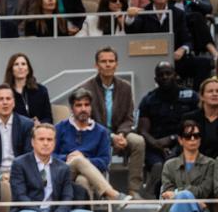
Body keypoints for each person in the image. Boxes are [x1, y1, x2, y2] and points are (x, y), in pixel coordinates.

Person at [9, 124, 100, 212]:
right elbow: (21, 197)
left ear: (55, 142)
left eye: (49, 139)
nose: (46, 143)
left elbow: (67, 197)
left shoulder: (63, 167)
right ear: (33, 142)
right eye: (41, 139)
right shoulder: (19, 164)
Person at [80, 46, 147, 196]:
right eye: (103, 61)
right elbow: (86, 119)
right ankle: (99, 192)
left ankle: (133, 190)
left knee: (138, 142)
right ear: (96, 65)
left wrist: (121, 135)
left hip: (121, 133)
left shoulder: (125, 87)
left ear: (117, 64)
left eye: (111, 61)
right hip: (96, 134)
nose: (108, 64)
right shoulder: (87, 89)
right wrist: (110, 136)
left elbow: (129, 117)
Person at [126, 0, 212, 88]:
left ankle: (197, 100)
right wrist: (129, 18)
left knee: (204, 63)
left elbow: (187, 40)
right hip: (148, 59)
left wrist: (182, 49)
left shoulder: (178, 13)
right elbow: (131, 33)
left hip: (174, 60)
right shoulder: (143, 12)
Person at [54, 87, 130, 203]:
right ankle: (112, 194)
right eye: (79, 105)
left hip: (90, 176)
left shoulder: (101, 131)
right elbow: (50, 156)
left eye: (86, 105)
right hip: (63, 173)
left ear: (91, 107)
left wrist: (86, 160)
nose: (83, 109)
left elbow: (105, 161)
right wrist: (68, 157)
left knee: (82, 180)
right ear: (72, 108)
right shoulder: (60, 128)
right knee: (78, 160)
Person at [138, 61, 201, 190]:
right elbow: (143, 131)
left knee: (176, 161)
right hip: (155, 145)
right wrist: (158, 145)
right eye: (161, 75)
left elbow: (198, 124)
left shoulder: (190, 96)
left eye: (168, 73)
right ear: (156, 79)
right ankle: (154, 193)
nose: (165, 77)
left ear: (175, 75)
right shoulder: (148, 100)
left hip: (185, 142)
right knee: (158, 165)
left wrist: (173, 139)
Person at [156, 119, 216, 212]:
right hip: (174, 209)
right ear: (180, 140)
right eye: (188, 136)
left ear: (201, 139)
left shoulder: (210, 164)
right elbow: (166, 191)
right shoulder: (170, 165)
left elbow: (204, 191)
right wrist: (185, 196)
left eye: (197, 136)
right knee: (183, 201)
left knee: (182, 197)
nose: (193, 139)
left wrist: (177, 193)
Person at [0, 84, 35, 180]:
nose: (5, 102)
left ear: (13, 103)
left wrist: (15, 174)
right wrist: (0, 176)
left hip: (21, 173)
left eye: (8, 99)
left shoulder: (27, 124)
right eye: (1, 99)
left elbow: (28, 154)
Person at [5, 53, 53, 124]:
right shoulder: (5, 92)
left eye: (23, 64)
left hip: (38, 131)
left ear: (28, 69)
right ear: (11, 69)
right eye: (16, 64)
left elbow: (48, 118)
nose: (20, 67)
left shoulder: (41, 90)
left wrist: (39, 123)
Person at [182, 76, 218, 159]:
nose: (215, 94)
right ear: (201, 96)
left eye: (217, 91)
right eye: (210, 91)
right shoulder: (189, 118)